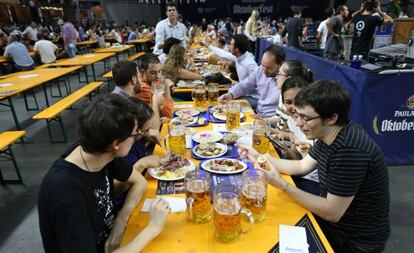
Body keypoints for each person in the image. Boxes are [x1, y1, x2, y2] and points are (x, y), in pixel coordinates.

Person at [240, 79, 390, 252]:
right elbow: (302, 166)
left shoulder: (349, 150)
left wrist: (282, 185)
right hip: (337, 224)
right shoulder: (329, 134)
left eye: (305, 118)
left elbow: (331, 213)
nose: (297, 123)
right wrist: (258, 156)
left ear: (332, 118)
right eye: (297, 115)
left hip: (354, 240)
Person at [38, 94, 171, 253]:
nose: (138, 138)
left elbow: (139, 182)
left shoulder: (100, 148)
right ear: (116, 143)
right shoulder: (66, 194)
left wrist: (121, 220)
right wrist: (152, 228)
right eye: (136, 134)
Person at [219, 45, 285, 119]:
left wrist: (266, 121)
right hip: (258, 115)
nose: (265, 71)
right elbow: (245, 85)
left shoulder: (287, 81)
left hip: (272, 121)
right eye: (263, 65)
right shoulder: (260, 70)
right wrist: (230, 94)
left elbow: (285, 117)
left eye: (269, 68)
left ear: (281, 64)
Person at [201, 34, 259, 108]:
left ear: (237, 49)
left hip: (253, 97)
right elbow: (223, 54)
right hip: (242, 92)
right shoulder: (238, 56)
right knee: (221, 100)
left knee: (226, 105)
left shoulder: (250, 64)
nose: (229, 46)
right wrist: (207, 45)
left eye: (231, 45)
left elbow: (259, 81)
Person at [137, 53, 175, 119]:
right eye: (153, 73)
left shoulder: (152, 83)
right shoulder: (143, 88)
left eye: (159, 71)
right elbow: (169, 114)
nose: (158, 76)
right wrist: (166, 86)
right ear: (143, 72)